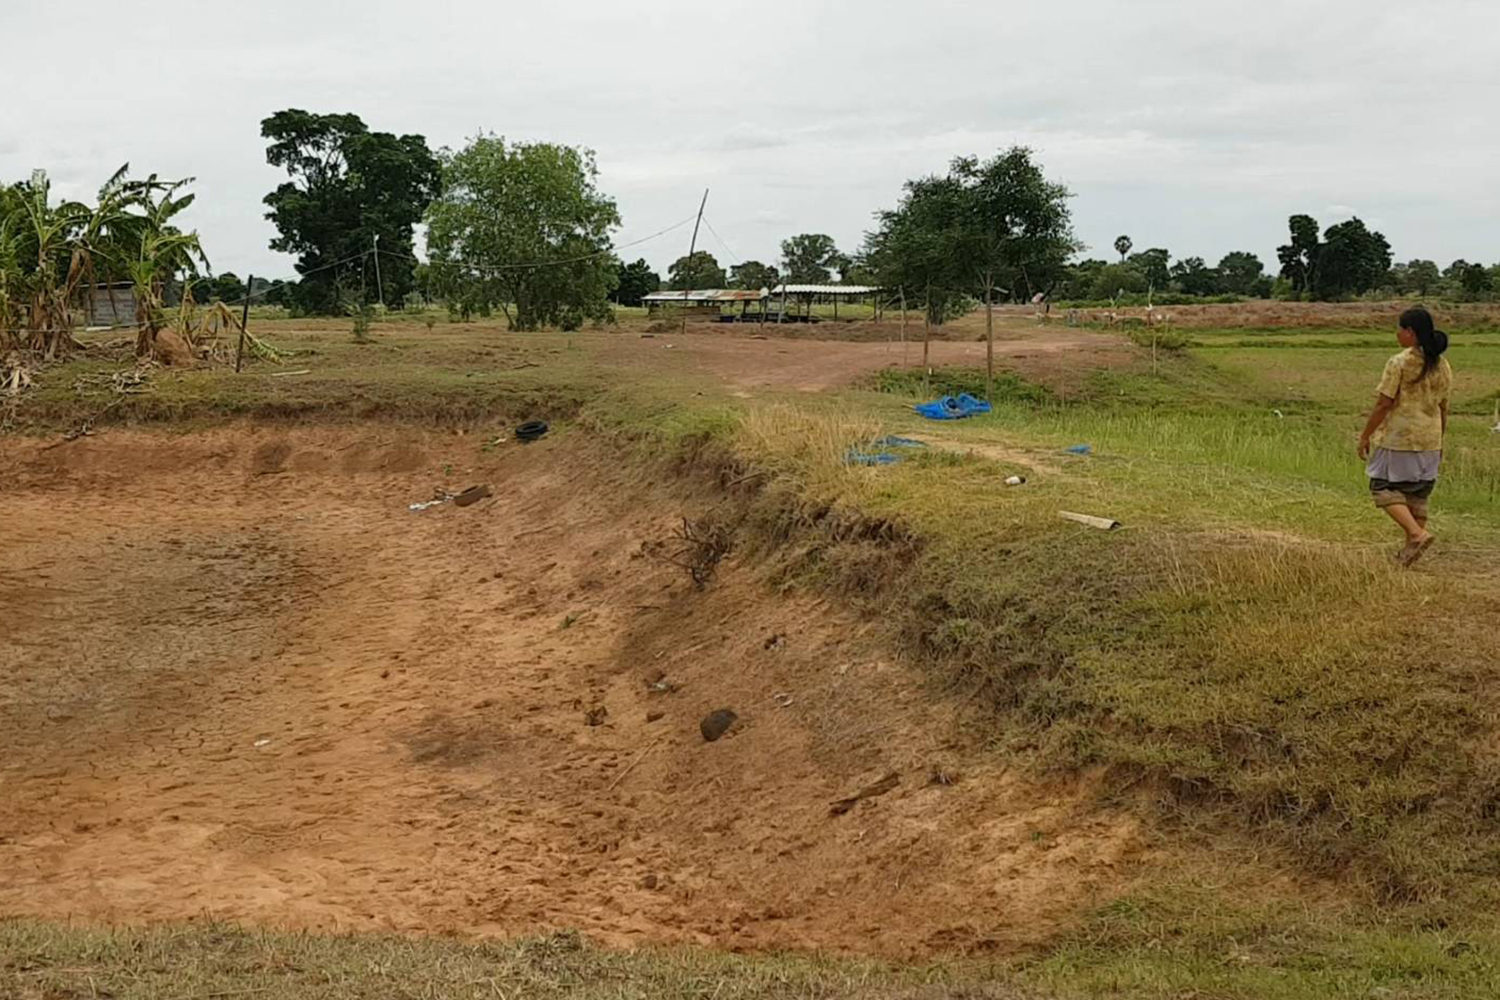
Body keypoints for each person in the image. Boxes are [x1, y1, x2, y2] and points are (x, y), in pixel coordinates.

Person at [1357, 306, 1452, 565]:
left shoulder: (1398, 362)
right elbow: (1443, 407)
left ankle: (1416, 534)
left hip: (1400, 438)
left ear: (1410, 332)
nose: (1397, 334)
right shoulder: (1442, 364)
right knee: (1418, 494)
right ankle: (1410, 550)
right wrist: (1440, 440)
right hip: (1430, 439)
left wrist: (1365, 435)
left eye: (1399, 329)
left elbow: (1383, 404)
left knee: (1381, 487)